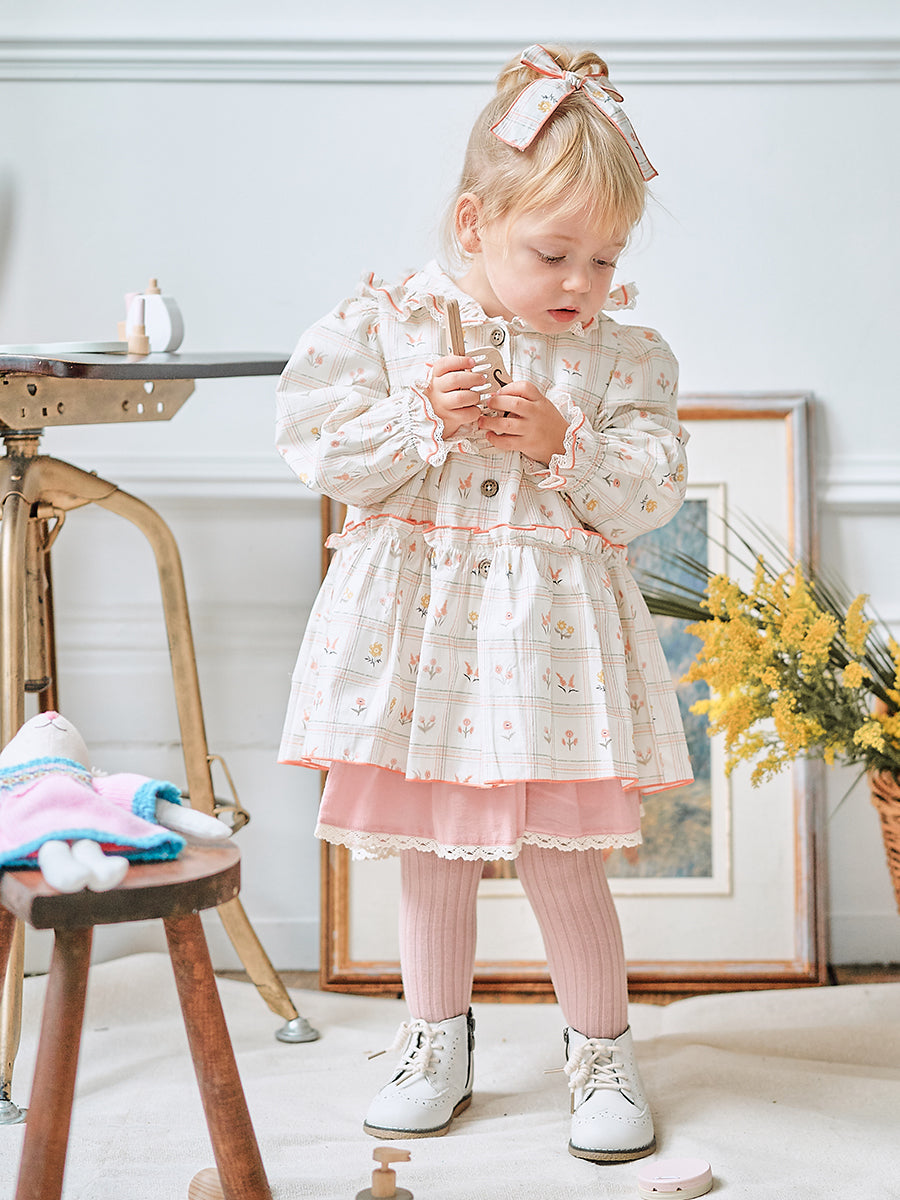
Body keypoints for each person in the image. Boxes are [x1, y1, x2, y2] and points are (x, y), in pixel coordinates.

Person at [275, 44, 691, 1163]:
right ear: (473, 223)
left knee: (564, 857)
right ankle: (433, 1043)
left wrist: (568, 444)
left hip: (553, 651)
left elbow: (650, 494)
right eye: (553, 254)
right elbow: (318, 450)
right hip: (426, 649)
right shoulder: (388, 328)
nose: (580, 283)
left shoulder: (620, 359)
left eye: (604, 260)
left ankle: (601, 1053)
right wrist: (420, 414)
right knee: (434, 851)